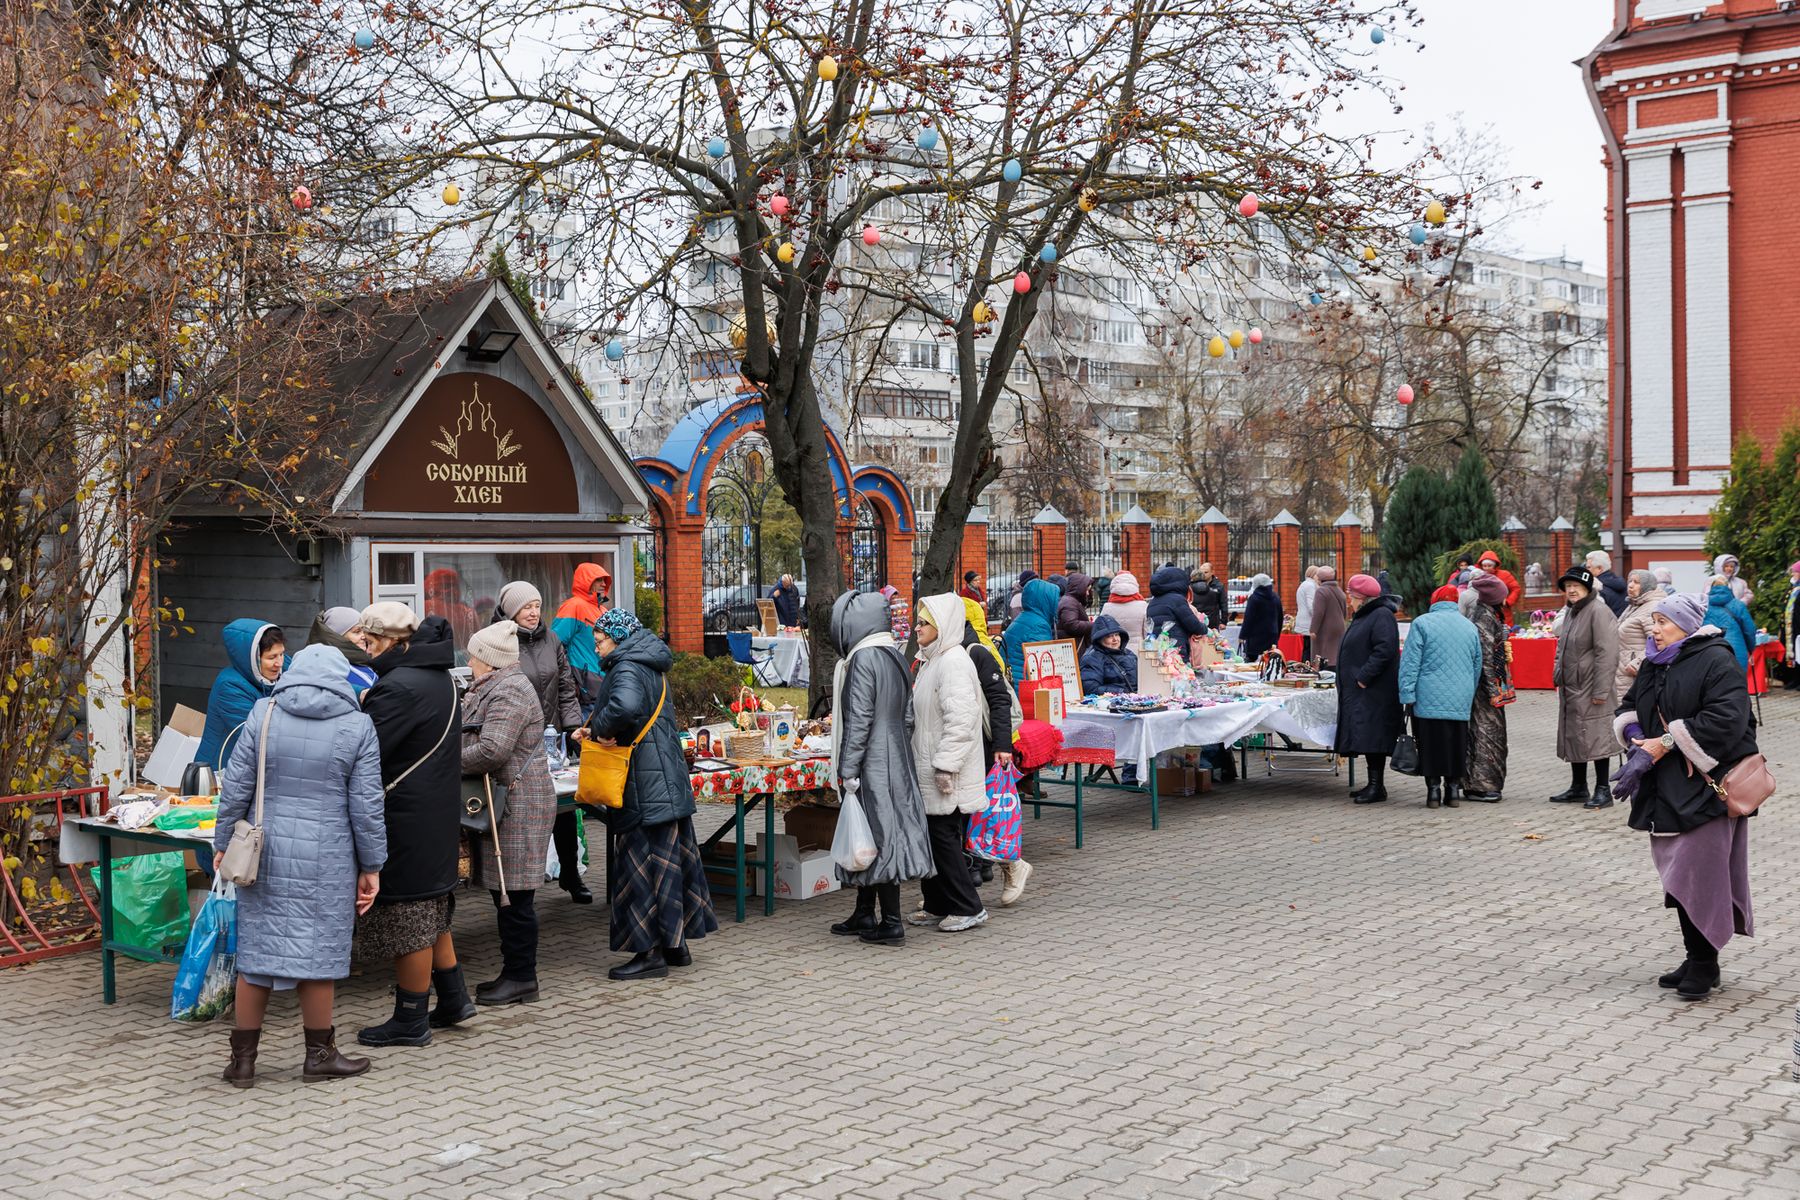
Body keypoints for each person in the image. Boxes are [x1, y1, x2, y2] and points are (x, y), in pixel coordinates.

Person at [213, 645, 385, 1088]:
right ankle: (320, 1056)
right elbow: (366, 807)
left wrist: (221, 843)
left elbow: (235, 787)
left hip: (265, 853)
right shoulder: (358, 725)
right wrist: (372, 864)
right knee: (319, 956)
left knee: (257, 957)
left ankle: (243, 1063)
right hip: (327, 857)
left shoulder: (262, 714)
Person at [1611, 592, 1758, 1000]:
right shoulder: (1657, 662)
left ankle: (1706, 963)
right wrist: (1637, 740)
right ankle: (1696, 957)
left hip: (1706, 786)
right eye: (1653, 620)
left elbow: (1728, 720)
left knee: (1702, 874)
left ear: (1687, 625)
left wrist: (1666, 742)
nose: (1653, 628)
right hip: (1664, 786)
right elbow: (1628, 706)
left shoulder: (1715, 658)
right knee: (1678, 875)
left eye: (1661, 621)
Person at [575, 609, 717, 979]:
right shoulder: (648, 662)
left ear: (619, 638)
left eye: (601, 640)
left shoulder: (626, 667)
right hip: (664, 779)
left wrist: (596, 730)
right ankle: (675, 945)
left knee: (641, 869)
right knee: (667, 865)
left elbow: (623, 707)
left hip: (643, 782)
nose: (598, 647)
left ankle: (649, 954)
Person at [353, 605, 471, 1047]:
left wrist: (363, 710)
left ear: (396, 642)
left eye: (371, 641)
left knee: (410, 918)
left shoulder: (398, 687)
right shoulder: (437, 676)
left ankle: (410, 1020)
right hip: (435, 810)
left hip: (406, 815)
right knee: (433, 913)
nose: (365, 649)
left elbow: (369, 752)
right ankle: (455, 999)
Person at [827, 592, 935, 943]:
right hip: (896, 754)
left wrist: (848, 767)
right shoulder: (894, 655)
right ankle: (864, 913)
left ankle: (890, 922)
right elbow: (907, 715)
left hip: (873, 758)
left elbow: (858, 720)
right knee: (879, 832)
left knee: (879, 835)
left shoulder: (862, 660)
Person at [461, 621, 557, 1007]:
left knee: (516, 896)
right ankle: (514, 973)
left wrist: (441, 762)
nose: (468, 661)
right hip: (508, 801)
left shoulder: (510, 691)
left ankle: (521, 978)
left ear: (487, 660)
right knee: (507, 893)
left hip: (520, 804)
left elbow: (492, 751)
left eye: (472, 655)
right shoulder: (496, 687)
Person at [493, 581, 588, 904]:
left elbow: (565, 687)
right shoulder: (498, 641)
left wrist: (572, 727)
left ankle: (570, 874)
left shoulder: (552, 639)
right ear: (510, 611)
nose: (533, 613)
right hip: (516, 741)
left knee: (562, 812)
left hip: (552, 736)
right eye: (526, 607)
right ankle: (521, 887)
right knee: (524, 815)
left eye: (536, 605)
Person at [907, 595, 990, 933]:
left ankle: (969, 906)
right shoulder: (932, 660)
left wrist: (945, 765)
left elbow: (961, 721)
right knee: (933, 836)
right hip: (931, 768)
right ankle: (937, 902)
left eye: (924, 623)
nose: (917, 628)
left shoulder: (953, 662)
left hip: (945, 773)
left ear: (941, 627)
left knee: (943, 838)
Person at [962, 595, 1031, 905]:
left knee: (985, 816)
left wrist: (1002, 746)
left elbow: (1000, 699)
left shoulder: (978, 651)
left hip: (984, 744)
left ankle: (1012, 865)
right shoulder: (937, 653)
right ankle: (948, 890)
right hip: (959, 744)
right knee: (964, 818)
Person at [1397, 585, 1483, 809]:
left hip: (1427, 696)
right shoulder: (1469, 627)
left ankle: (1433, 792)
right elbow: (1477, 664)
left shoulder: (1422, 623)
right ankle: (1453, 790)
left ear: (1434, 600)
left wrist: (1407, 693)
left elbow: (1410, 663)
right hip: (1460, 696)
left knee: (1429, 743)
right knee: (1457, 743)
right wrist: (1468, 691)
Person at [1548, 566, 1621, 811]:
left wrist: (1601, 690)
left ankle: (1603, 790)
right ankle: (1579, 786)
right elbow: (1561, 647)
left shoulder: (1599, 611)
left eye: (1576, 586)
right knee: (1575, 735)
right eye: (1568, 586)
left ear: (1587, 588)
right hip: (1573, 687)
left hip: (1592, 687)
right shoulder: (1571, 612)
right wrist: (1558, 674)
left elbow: (1607, 653)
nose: (1571, 590)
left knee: (1597, 736)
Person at [1335, 574, 1402, 805]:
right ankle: (1374, 784)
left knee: (1374, 736)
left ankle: (1376, 786)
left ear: (1360, 597)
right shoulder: (1368, 614)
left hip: (1374, 690)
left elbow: (1385, 649)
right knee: (1368, 735)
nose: (1348, 600)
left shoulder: (1381, 615)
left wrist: (1363, 677)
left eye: (1351, 595)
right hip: (1365, 690)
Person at [195, 620, 288, 772]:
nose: (279, 663)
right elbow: (258, 736)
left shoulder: (279, 669)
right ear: (252, 659)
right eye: (271, 658)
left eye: (281, 654)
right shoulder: (230, 686)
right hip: (222, 771)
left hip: (252, 769)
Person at [1463, 572, 1512, 803]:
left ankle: (1480, 783)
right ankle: (1482, 786)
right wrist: (1494, 692)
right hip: (1485, 691)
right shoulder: (1483, 617)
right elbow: (1485, 658)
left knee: (1487, 734)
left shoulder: (1489, 614)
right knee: (1487, 735)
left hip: (1488, 688)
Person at [552, 562, 613, 705]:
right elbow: (555, 643)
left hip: (603, 683)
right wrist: (569, 677)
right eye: (598, 579)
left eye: (604, 580)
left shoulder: (603, 610)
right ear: (586, 581)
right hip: (583, 685)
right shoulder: (573, 606)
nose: (603, 584)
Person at [1615, 569, 1667, 701]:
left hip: (1633, 673)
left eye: (1636, 582)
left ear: (1646, 586)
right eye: (1630, 581)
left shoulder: (1652, 607)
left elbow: (1658, 640)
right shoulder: (1634, 605)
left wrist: (1637, 664)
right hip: (1622, 672)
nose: (1631, 585)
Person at [1001, 577, 1061, 684]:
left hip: (1014, 681)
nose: (1057, 604)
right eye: (1055, 600)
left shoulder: (1025, 618)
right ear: (1046, 601)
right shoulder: (1039, 626)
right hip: (1024, 689)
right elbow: (1043, 666)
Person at [306, 608, 378, 694]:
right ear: (337, 636)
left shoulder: (366, 660)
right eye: (357, 632)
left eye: (364, 631)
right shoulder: (327, 668)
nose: (364, 636)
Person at [1146, 565, 1207, 653]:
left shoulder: (1152, 602)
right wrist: (1204, 628)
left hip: (1158, 650)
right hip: (1176, 650)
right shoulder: (1177, 600)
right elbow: (1193, 625)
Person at [1704, 575, 1758, 671]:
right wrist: (1750, 649)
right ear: (1728, 587)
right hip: (1736, 651)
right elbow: (1749, 630)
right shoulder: (1738, 605)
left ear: (1711, 588)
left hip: (1709, 651)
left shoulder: (1704, 606)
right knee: (1737, 682)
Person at [1080, 615, 1139, 696]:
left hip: (1138, 700)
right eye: (1109, 636)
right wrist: (1122, 692)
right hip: (1111, 703)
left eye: (1117, 634)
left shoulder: (1129, 654)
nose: (1115, 639)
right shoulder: (1092, 659)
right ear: (1099, 639)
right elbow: (1090, 688)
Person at [423, 567, 479, 646]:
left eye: (454, 585)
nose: (452, 589)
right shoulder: (468, 612)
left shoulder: (426, 606)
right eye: (448, 585)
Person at [1310, 567, 1348, 668]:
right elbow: (1345, 611)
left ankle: (1325, 672)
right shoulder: (1339, 590)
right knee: (1335, 652)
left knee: (1324, 653)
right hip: (1339, 626)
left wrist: (1313, 629)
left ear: (1320, 579)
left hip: (1326, 627)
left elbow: (1318, 612)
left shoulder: (1321, 591)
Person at [1098, 570, 1148, 648]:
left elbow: (1101, 631)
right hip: (1137, 649)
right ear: (1134, 585)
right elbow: (1146, 632)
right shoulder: (1143, 605)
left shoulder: (1107, 607)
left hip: (1114, 650)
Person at [1239, 573, 1282, 661]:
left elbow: (1248, 618)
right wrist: (1277, 633)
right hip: (1271, 634)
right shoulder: (1276, 597)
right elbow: (1280, 617)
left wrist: (1242, 635)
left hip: (1255, 636)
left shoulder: (1254, 598)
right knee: (1270, 661)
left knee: (1251, 661)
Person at [1476, 552, 1523, 625]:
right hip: (1484, 611)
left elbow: (1516, 589)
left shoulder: (1504, 575)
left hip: (1503, 612)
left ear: (1494, 565)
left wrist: (1508, 601)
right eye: (1484, 566)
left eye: (1489, 566)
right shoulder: (1478, 576)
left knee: (1505, 633)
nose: (1487, 568)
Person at [1057, 573, 1096, 651]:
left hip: (1074, 645)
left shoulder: (1071, 601)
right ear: (1080, 589)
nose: (1088, 593)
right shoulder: (1070, 602)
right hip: (1074, 647)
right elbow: (1071, 625)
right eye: (1087, 590)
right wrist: (1093, 624)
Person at [1587, 550, 1629, 617]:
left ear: (1599, 568)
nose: (1587, 570)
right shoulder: (1622, 584)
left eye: (1589, 567)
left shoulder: (1597, 587)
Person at [1190, 563, 1228, 630]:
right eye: (1201, 572)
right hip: (1197, 620)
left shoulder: (1218, 586)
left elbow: (1223, 604)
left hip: (1213, 621)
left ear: (1212, 572)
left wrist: (1223, 621)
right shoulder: (1192, 587)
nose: (1203, 574)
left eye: (1206, 572)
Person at [1293, 566, 1320, 660]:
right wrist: (1319, 618)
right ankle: (1306, 669)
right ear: (1313, 575)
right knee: (1309, 650)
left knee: (1307, 648)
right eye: (1318, 574)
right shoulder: (1310, 586)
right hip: (1308, 623)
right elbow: (1311, 606)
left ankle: (1305, 667)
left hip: (1304, 622)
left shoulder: (1304, 584)